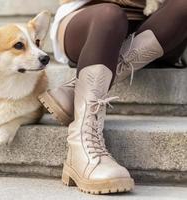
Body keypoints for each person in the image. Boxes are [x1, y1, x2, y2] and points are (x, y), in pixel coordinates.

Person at [38, 0, 187, 195]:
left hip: (156, 23)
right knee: (110, 14)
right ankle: (82, 143)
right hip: (92, 19)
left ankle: (79, 89)